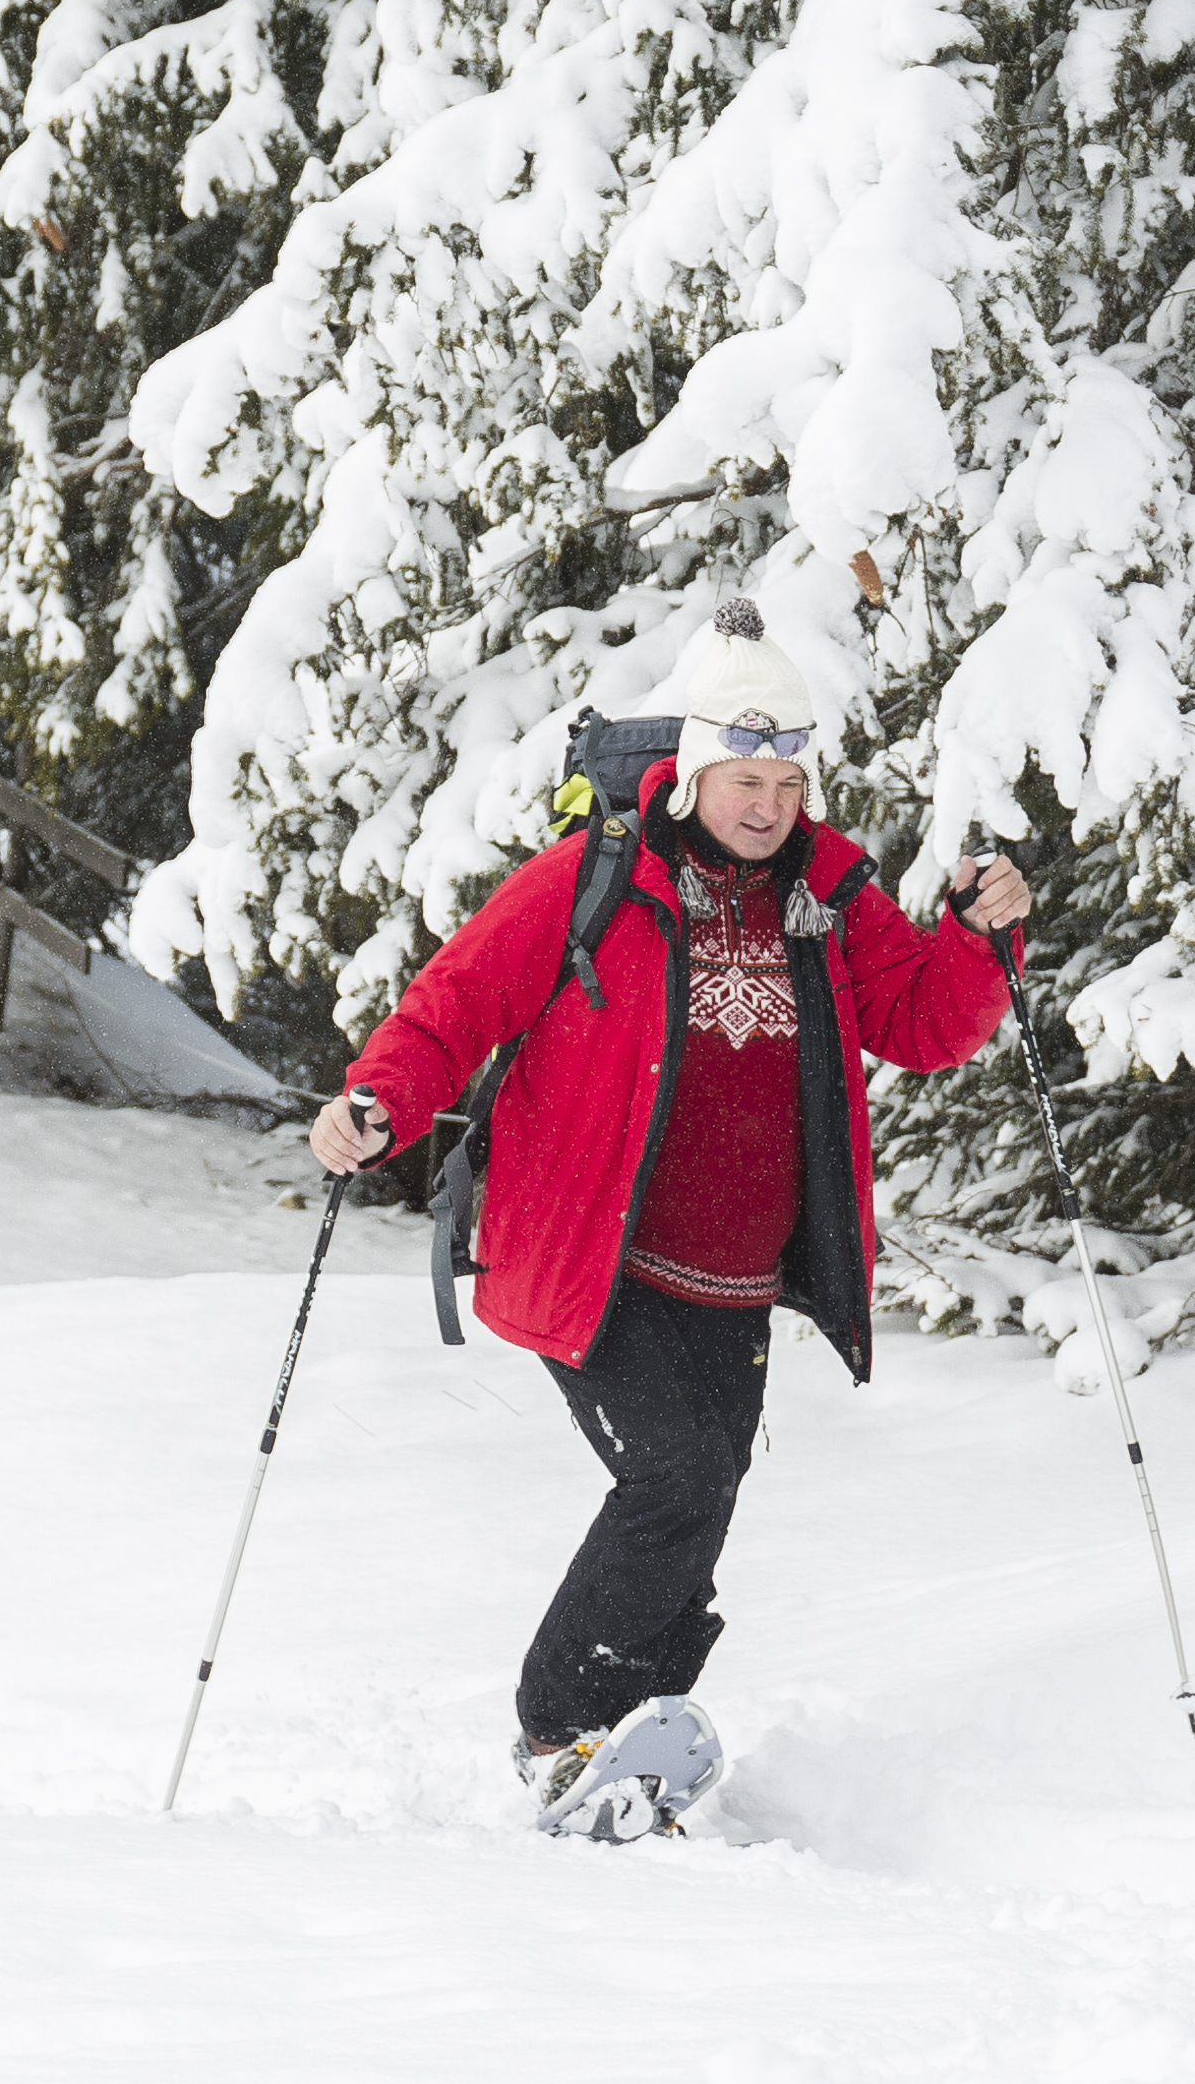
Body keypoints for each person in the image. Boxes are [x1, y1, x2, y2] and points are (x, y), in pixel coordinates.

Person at [312, 604, 1031, 1815]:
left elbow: (921, 1023)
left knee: (707, 1489)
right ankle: (560, 1730)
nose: (767, 803)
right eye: (743, 778)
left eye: (787, 779)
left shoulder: (828, 894)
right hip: (600, 1259)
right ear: (691, 774)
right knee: (680, 1476)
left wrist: (975, 939)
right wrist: (378, 1101)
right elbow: (455, 1007)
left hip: (735, 1274)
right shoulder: (596, 879)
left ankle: (633, 1737)